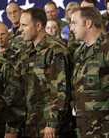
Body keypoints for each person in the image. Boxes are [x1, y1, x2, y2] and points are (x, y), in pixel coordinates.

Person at [18, 8, 74, 138]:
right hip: (32, 123)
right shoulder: (27, 51)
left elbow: (61, 90)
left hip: (51, 128)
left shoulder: (56, 50)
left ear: (38, 26)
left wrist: (52, 123)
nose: (20, 29)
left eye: (24, 25)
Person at [70, 7, 109, 138]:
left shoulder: (106, 47)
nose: (71, 28)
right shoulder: (79, 51)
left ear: (88, 23)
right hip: (83, 126)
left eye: (74, 23)